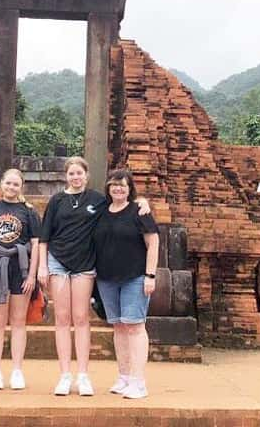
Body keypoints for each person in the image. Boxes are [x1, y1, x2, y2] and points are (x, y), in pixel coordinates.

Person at [36, 157, 149, 396]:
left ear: (87, 176)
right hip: (58, 262)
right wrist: (42, 267)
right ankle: (65, 374)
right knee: (62, 318)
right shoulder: (57, 201)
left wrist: (142, 200)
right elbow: (44, 236)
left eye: (80, 173)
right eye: (71, 174)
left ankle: (83, 375)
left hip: (85, 263)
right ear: (65, 176)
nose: (76, 177)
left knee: (81, 318)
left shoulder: (97, 200)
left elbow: (122, 203)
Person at [93, 169, 159, 400]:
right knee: (119, 326)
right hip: (107, 278)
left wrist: (150, 275)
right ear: (108, 188)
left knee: (135, 326)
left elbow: (153, 242)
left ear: (130, 189)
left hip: (135, 277)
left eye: (123, 185)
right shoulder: (101, 211)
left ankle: (138, 381)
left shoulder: (139, 211)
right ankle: (124, 376)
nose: (118, 189)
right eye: (114, 185)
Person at [0, 168, 41, 390]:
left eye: (16, 184)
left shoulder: (29, 211)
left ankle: (17, 370)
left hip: (20, 268)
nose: (11, 187)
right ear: (1, 183)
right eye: (8, 183)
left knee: (18, 322)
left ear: (21, 187)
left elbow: (36, 243)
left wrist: (32, 275)